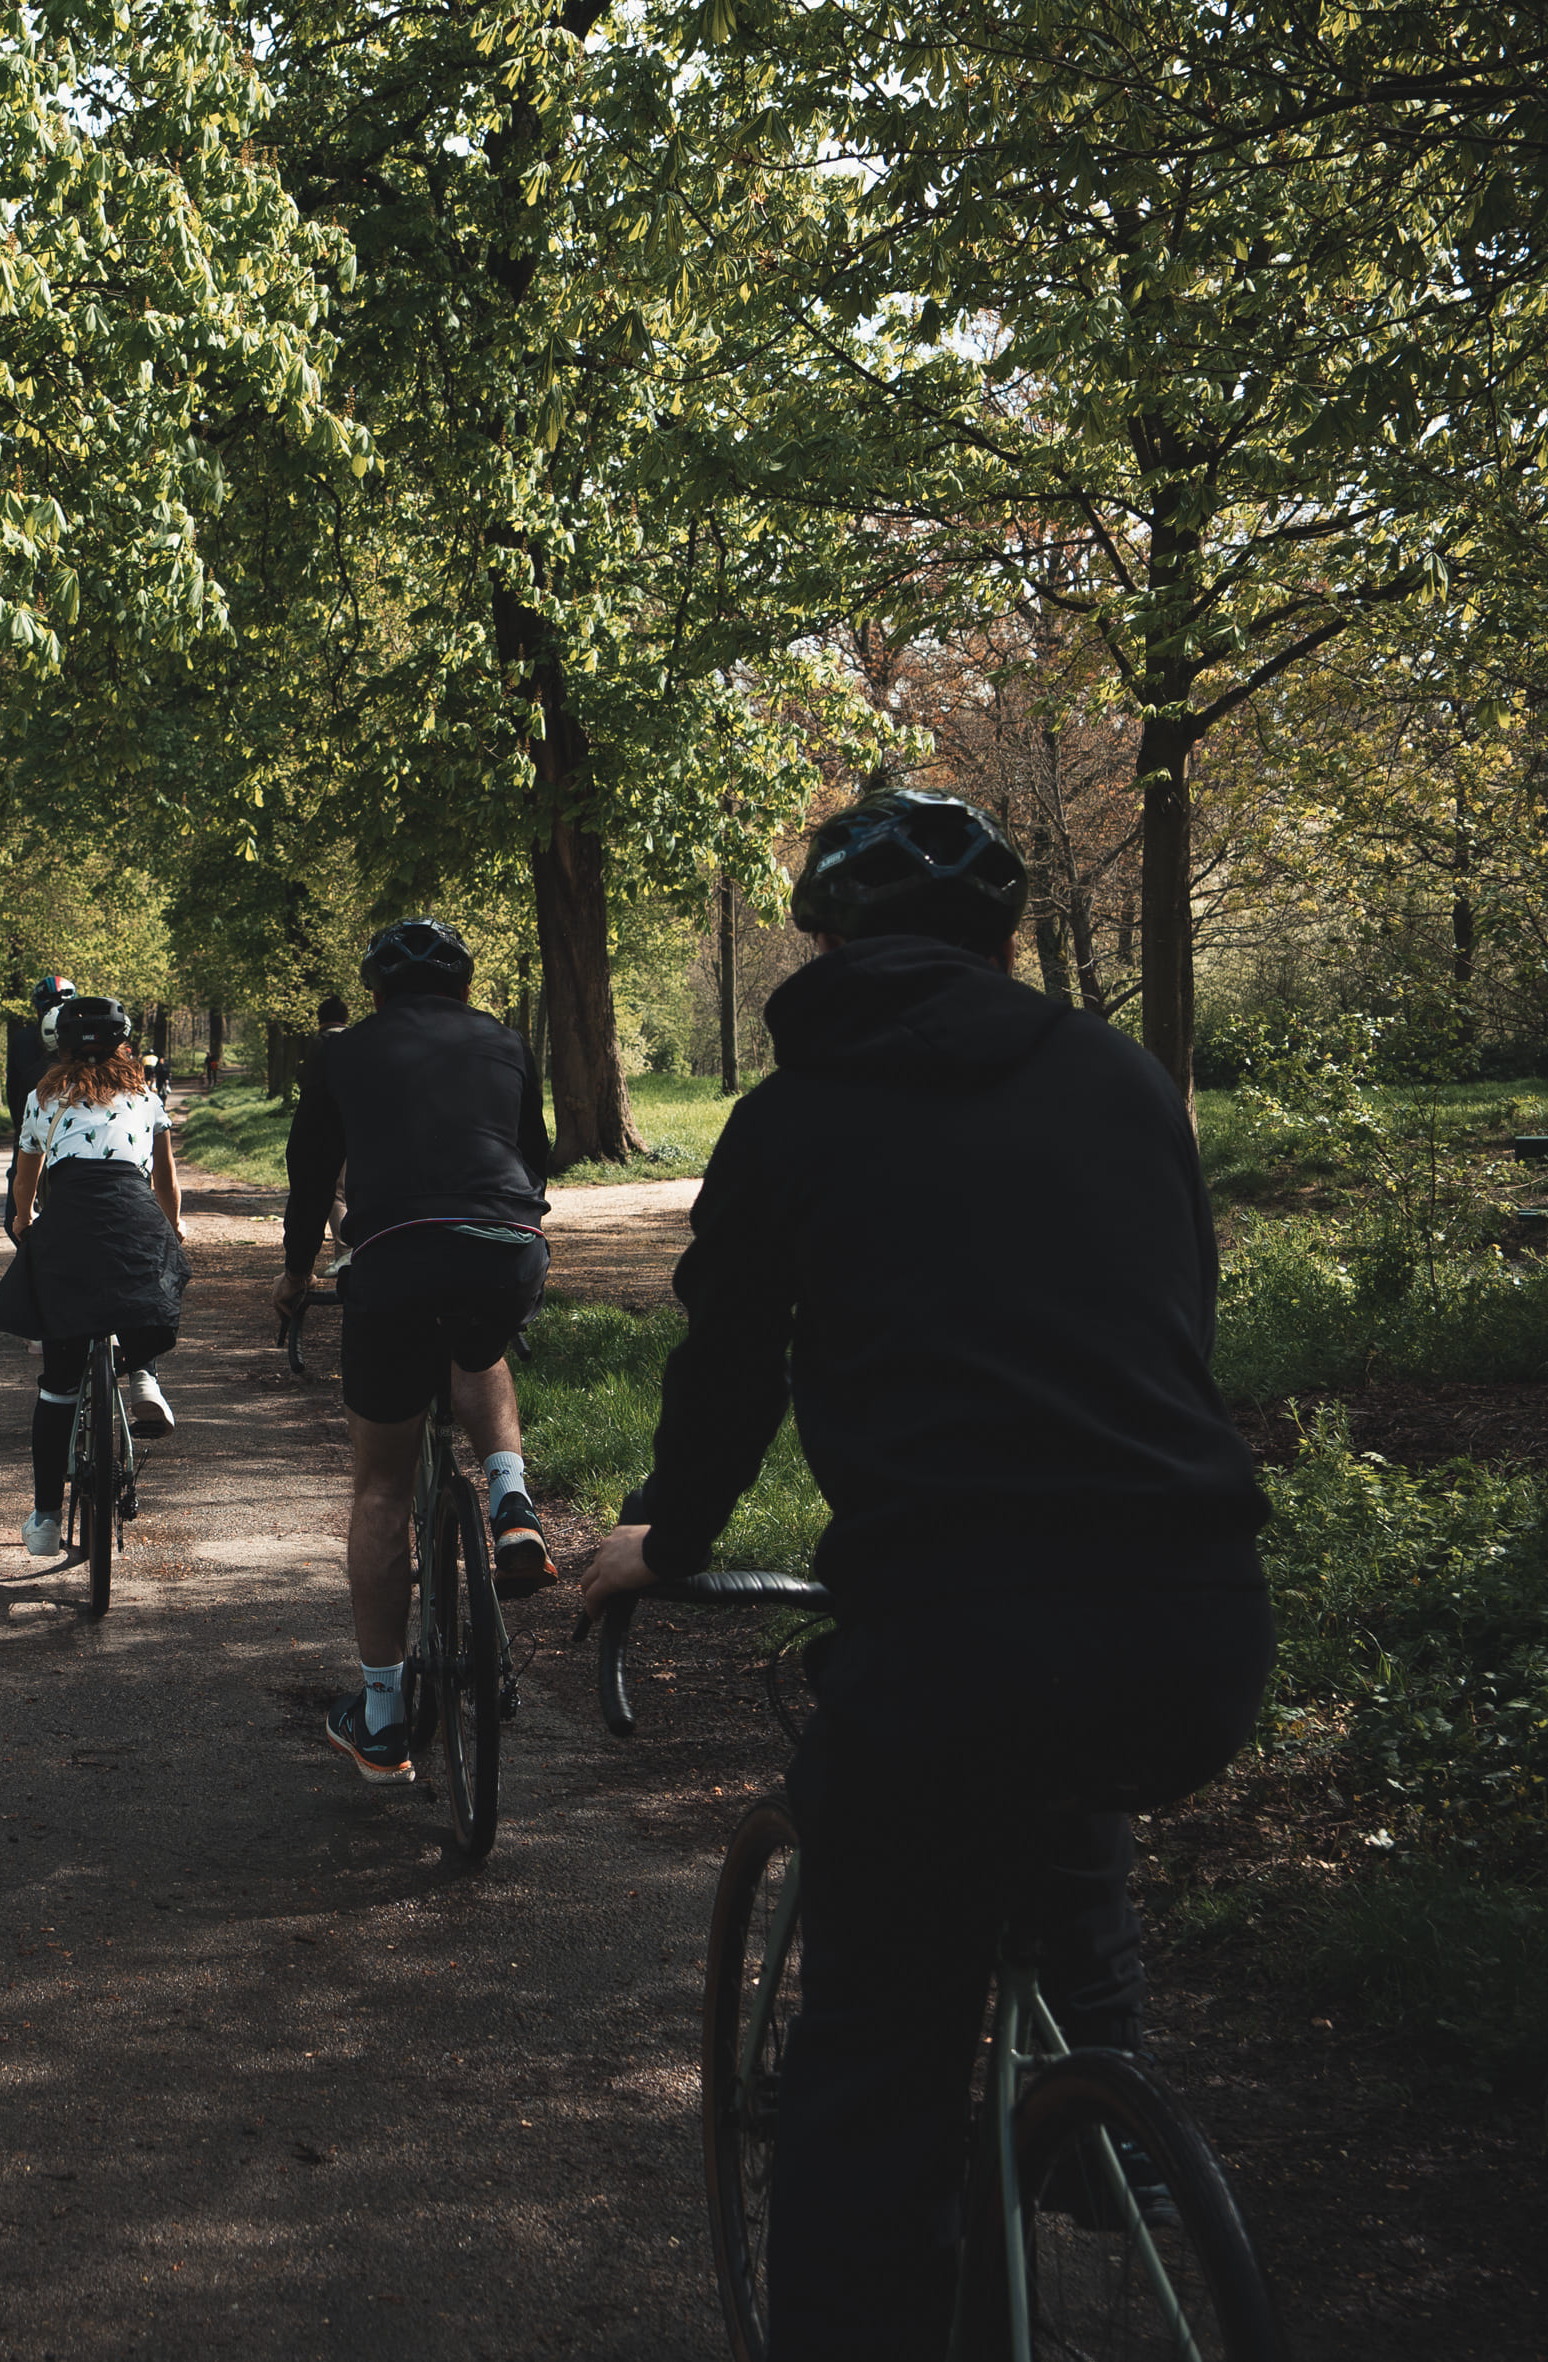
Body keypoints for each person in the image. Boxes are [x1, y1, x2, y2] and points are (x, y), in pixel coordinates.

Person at [573, 786, 1274, 2362]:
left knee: (866, 2076)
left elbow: (729, 1370)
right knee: (1059, 1756)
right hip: (1197, 1623)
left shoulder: (792, 1115)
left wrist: (662, 1544)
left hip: (953, 1641)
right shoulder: (1115, 1075)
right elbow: (1171, 1321)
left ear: (821, 938)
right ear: (1002, 938)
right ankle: (1101, 2101)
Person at [267, 919, 559, 1782]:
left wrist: (293, 1277)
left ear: (375, 992)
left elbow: (311, 1177)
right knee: (479, 1348)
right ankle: (511, 1503)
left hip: (393, 1261)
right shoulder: (507, 1041)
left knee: (382, 1487)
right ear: (464, 988)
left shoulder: (340, 1052)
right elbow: (533, 1159)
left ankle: (384, 1719)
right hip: (504, 1246)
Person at [0, 995, 187, 1556]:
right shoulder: (146, 1095)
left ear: (61, 1046)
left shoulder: (42, 1096)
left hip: (67, 1225)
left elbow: (25, 1182)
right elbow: (165, 1183)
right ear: (124, 1044)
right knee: (144, 1282)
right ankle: (142, 1376)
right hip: (133, 1214)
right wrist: (172, 1228)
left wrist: (24, 1223)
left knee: (59, 1387)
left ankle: (45, 1521)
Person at [0, 974, 74, 1239]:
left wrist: (19, 1128)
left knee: (17, 1215)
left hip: (30, 1127)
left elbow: (14, 1090)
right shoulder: (85, 1037)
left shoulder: (21, 1039)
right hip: (71, 1129)